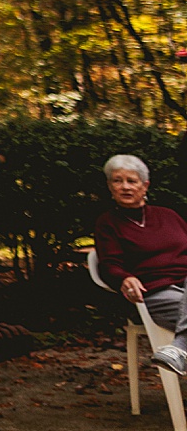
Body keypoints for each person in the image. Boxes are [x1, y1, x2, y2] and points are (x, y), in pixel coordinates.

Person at [93, 154, 187, 374]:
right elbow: (109, 264)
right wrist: (124, 278)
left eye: (132, 181)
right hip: (154, 293)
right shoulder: (108, 223)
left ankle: (180, 348)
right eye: (118, 181)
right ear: (109, 186)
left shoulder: (169, 216)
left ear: (145, 186)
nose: (125, 187)